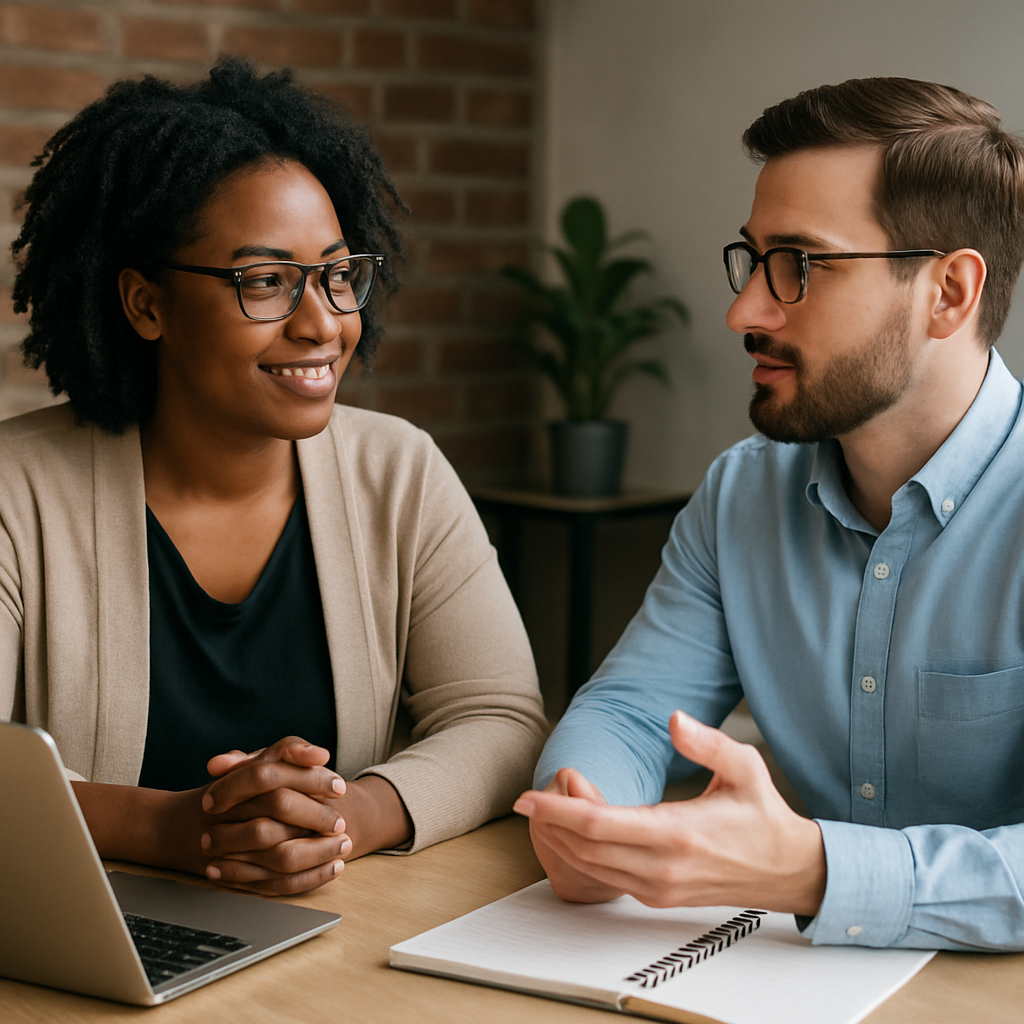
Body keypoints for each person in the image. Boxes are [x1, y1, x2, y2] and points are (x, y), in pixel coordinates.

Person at [1, 58, 546, 897]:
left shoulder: (399, 472)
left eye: (336, 274)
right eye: (265, 281)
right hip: (85, 946)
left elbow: (501, 720)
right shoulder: (17, 493)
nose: (322, 321)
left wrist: (344, 819)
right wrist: (175, 829)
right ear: (146, 305)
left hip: (331, 937)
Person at [514, 77, 1024, 950]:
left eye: (801, 265)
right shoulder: (741, 494)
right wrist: (589, 818)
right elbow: (631, 713)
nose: (744, 309)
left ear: (948, 292)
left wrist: (813, 870)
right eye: (753, 260)